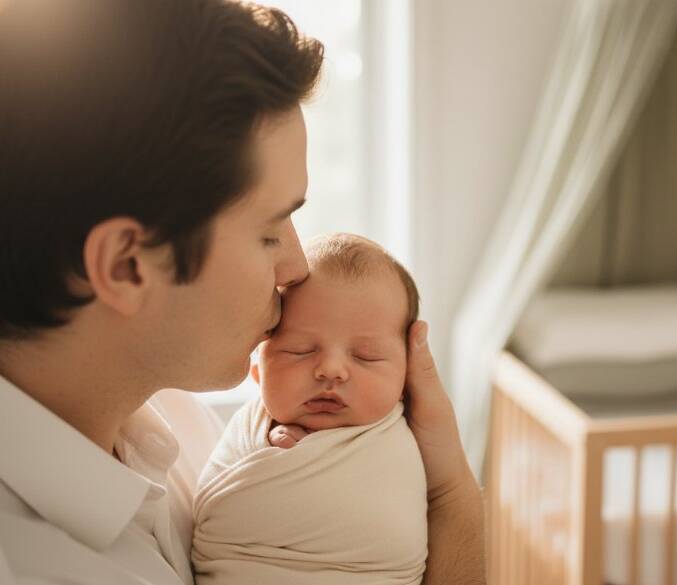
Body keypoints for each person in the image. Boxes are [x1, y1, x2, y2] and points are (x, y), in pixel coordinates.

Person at [0, 1, 485, 584]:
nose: (296, 268)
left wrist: (447, 488)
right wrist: (454, 502)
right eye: (270, 231)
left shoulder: (176, 423)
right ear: (127, 266)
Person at [192, 233, 428, 585]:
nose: (331, 370)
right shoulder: (248, 428)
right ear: (258, 372)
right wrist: (272, 454)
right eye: (299, 350)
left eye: (366, 356)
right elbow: (218, 510)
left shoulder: (411, 435)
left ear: (407, 372)